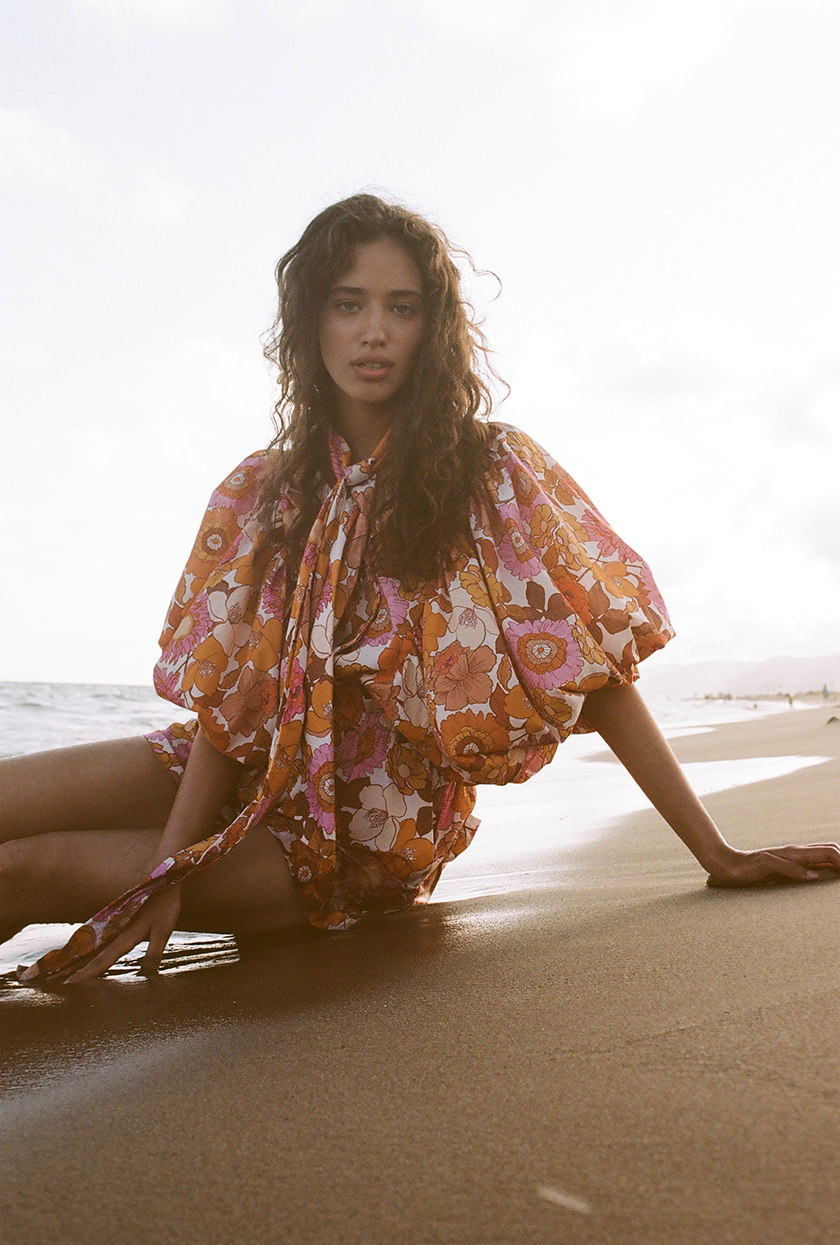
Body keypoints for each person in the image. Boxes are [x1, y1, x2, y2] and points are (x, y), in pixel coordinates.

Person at [5, 194, 839, 986]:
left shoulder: (492, 477)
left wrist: (717, 854)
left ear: (433, 328)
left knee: (22, 870)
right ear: (309, 323)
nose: (374, 333)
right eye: (348, 303)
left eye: (401, 307)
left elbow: (596, 676)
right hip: (241, 769)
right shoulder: (267, 491)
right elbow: (230, 699)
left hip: (357, 833)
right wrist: (170, 866)